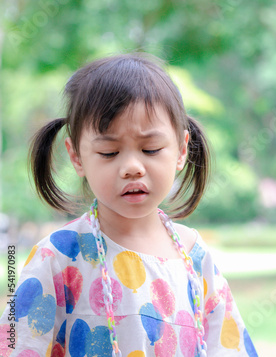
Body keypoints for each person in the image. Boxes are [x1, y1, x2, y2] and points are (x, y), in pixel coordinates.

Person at [0, 53, 258, 357]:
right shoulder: (58, 255)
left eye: (150, 149)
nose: (132, 167)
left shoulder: (193, 256)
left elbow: (229, 347)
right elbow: (16, 345)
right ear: (76, 156)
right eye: (109, 152)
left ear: (181, 149)